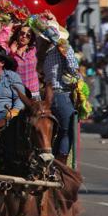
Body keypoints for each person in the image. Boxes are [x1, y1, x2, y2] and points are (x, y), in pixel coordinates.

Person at [38, 15, 80, 164]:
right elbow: (74, 69)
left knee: (59, 131)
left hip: (48, 94)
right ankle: (60, 162)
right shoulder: (58, 50)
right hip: (60, 94)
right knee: (68, 129)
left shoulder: (43, 52)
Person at [9, 24, 40, 99]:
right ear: (17, 34)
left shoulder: (33, 49)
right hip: (18, 95)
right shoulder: (9, 50)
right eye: (22, 33)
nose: (24, 36)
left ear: (31, 39)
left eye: (28, 35)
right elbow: (8, 70)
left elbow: (51, 37)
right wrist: (12, 53)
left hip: (34, 94)